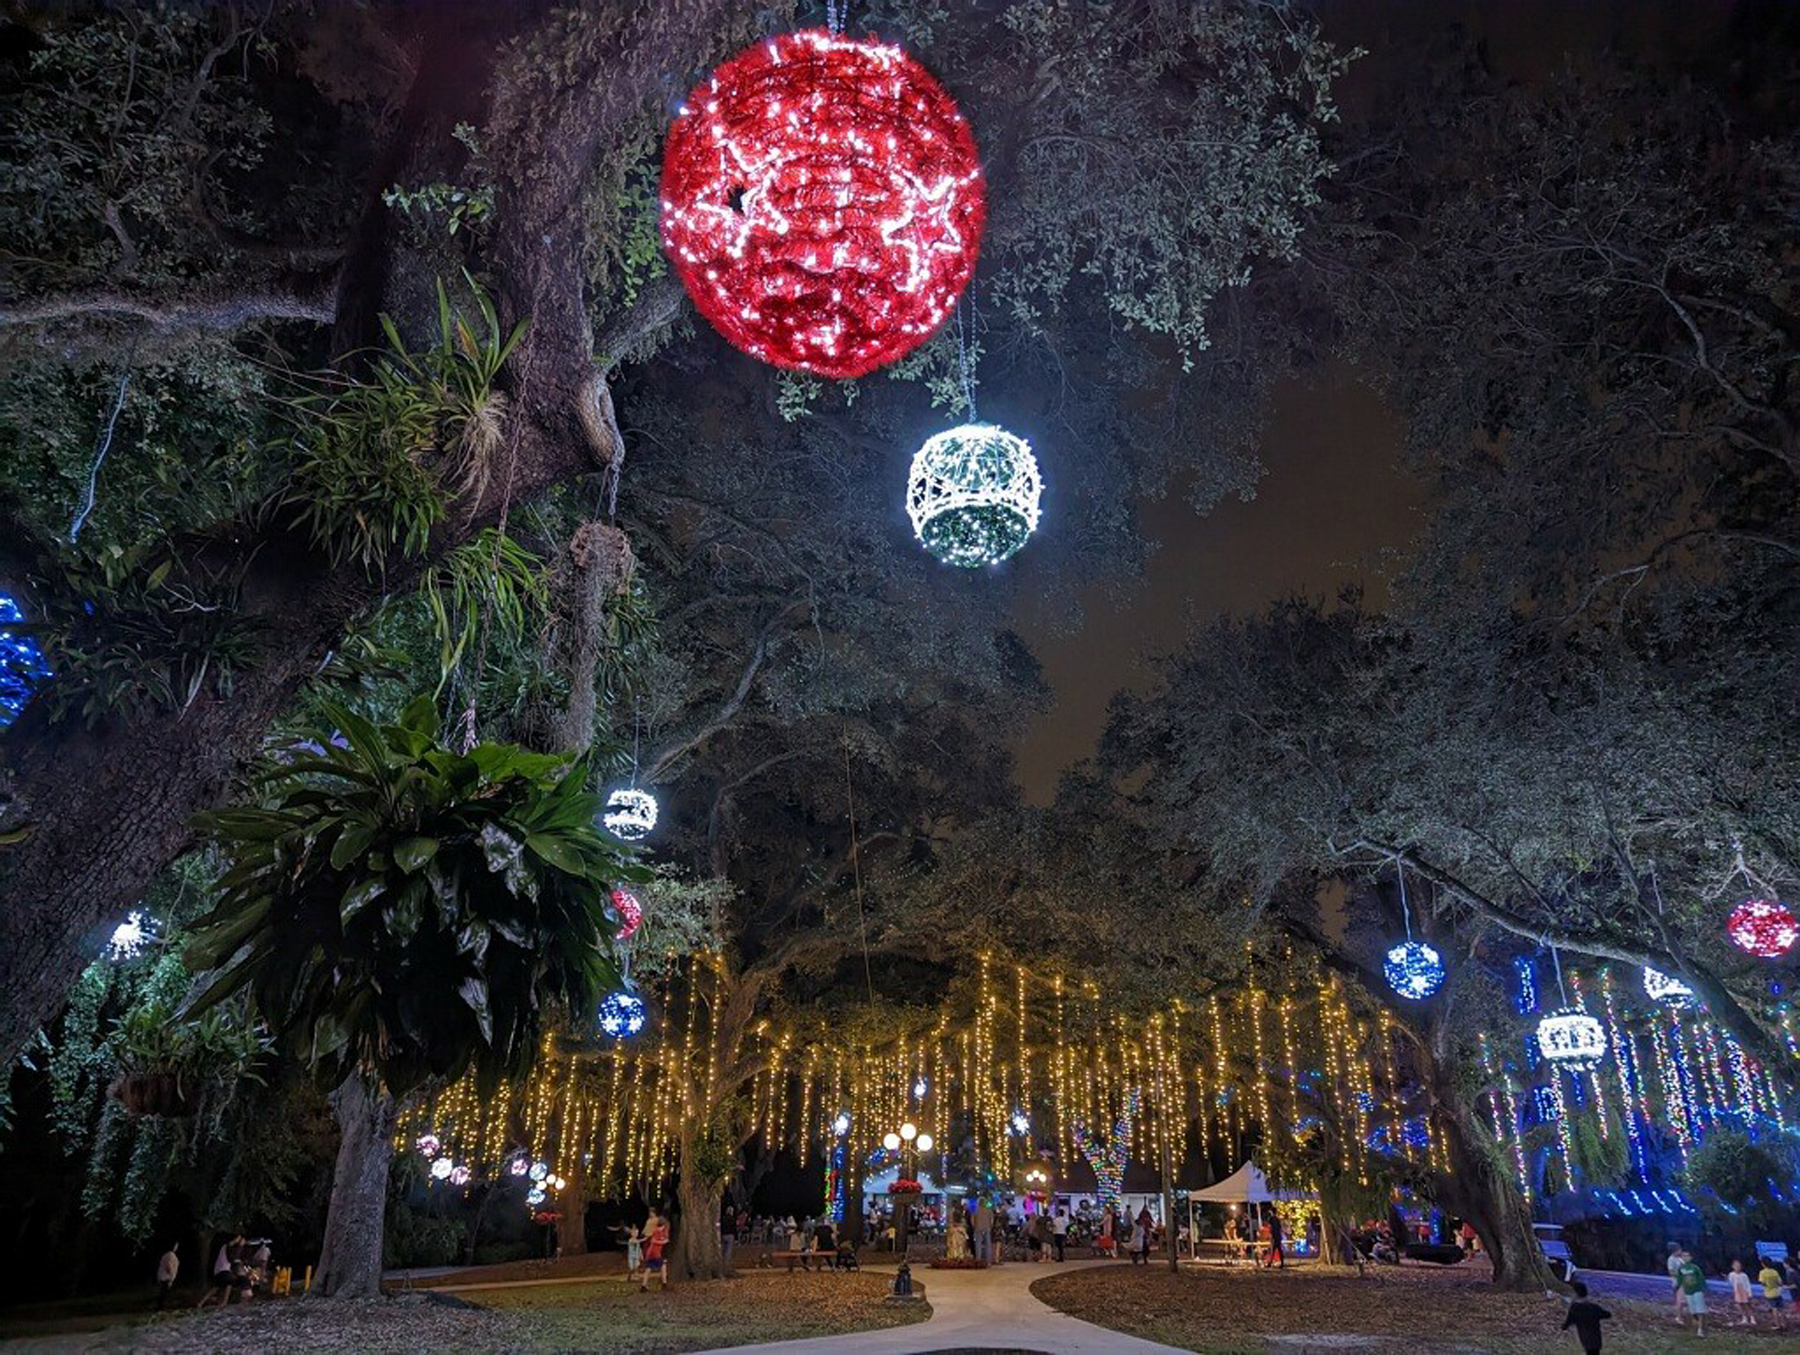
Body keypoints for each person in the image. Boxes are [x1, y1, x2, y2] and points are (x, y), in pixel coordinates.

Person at [1557, 1280, 1612, 1355]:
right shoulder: (1594, 1307)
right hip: (1596, 1336)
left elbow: (1569, 1321)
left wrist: (1564, 1327)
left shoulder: (1575, 1308)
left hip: (1584, 1336)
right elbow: (1607, 1314)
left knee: (1589, 1351)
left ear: (1576, 1294)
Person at [1675, 1248, 1708, 1335]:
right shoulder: (1681, 1269)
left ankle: (1700, 1329)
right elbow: (1679, 1279)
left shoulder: (1695, 1268)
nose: (1685, 1258)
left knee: (1700, 1309)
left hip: (1697, 1290)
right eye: (1683, 1256)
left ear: (1691, 1257)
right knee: (1693, 1310)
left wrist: (1704, 1289)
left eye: (1687, 1256)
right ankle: (1698, 1323)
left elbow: (1701, 1278)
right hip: (1688, 1291)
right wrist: (1677, 1288)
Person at [640, 1211, 670, 1292]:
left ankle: (643, 1286)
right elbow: (653, 1241)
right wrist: (663, 1242)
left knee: (649, 1268)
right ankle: (664, 1284)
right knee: (663, 1266)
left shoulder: (660, 1232)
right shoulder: (657, 1231)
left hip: (651, 1253)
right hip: (655, 1253)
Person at [1759, 1255, 1786, 1329]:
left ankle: (1777, 1325)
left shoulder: (1762, 1273)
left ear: (1763, 1264)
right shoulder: (1775, 1272)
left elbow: (1763, 1283)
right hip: (1777, 1292)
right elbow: (1780, 1283)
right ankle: (1783, 1324)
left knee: (1774, 1309)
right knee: (1781, 1309)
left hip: (1769, 1293)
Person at [1729, 1258, 1757, 1326]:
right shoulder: (1731, 1274)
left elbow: (1747, 1284)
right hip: (1737, 1291)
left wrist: (1749, 1293)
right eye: (1736, 1266)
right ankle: (1744, 1318)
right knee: (1740, 1305)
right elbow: (1731, 1283)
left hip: (1744, 1291)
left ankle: (1752, 1318)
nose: (1737, 1267)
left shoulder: (1744, 1275)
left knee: (1747, 1305)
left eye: (1739, 1266)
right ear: (1733, 1266)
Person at [155, 1243, 179, 1310]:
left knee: (163, 1292)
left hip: (163, 1276)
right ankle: (162, 1306)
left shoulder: (165, 1255)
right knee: (165, 1293)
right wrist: (171, 1276)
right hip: (167, 1277)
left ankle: (161, 1306)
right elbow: (169, 1266)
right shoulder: (170, 1255)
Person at [1667, 1242, 1686, 1322]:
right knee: (1679, 1300)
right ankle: (1678, 1317)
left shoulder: (1679, 1259)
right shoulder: (1671, 1260)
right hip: (1678, 1282)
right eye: (1679, 1250)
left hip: (1684, 1282)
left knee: (1684, 1300)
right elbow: (1671, 1271)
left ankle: (1682, 1315)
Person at [973, 1198, 994, 1265]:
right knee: (988, 1244)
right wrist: (990, 1226)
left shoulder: (976, 1210)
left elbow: (972, 1220)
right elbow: (992, 1219)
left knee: (978, 1244)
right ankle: (988, 1261)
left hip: (978, 1228)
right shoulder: (988, 1209)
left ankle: (978, 1260)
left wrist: (974, 1226)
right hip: (987, 1228)